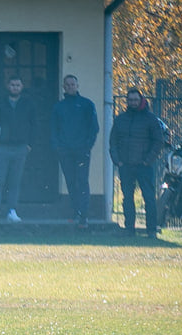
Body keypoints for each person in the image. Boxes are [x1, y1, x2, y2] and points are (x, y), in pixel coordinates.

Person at [109, 88, 164, 238]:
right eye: (130, 100)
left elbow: (158, 142)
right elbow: (113, 141)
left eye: (135, 100)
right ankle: (129, 229)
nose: (133, 103)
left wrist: (148, 161)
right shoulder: (121, 119)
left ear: (141, 100)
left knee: (149, 198)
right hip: (125, 165)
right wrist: (117, 161)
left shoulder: (151, 119)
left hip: (144, 166)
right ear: (127, 101)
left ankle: (151, 231)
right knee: (127, 198)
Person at [0, 76, 37, 223]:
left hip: (20, 148)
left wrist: (29, 144)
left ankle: (11, 211)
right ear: (8, 86)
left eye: (18, 85)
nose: (15, 87)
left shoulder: (28, 105)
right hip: (2, 148)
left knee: (15, 181)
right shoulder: (0, 104)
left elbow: (34, 125)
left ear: (22, 86)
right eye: (12, 84)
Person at [50, 74, 99, 229]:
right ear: (63, 87)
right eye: (67, 84)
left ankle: (83, 215)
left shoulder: (87, 104)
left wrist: (87, 146)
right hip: (65, 151)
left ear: (77, 86)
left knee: (82, 181)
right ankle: (75, 212)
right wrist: (58, 146)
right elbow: (53, 129)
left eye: (73, 84)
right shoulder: (59, 107)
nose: (70, 87)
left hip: (82, 150)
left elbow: (94, 128)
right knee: (71, 181)